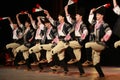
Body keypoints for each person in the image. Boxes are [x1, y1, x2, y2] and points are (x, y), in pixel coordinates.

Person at [85, 7, 112, 78]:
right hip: (95, 44)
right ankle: (101, 75)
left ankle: (88, 60)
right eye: (96, 15)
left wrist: (104, 38)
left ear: (102, 16)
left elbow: (109, 31)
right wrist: (91, 11)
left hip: (100, 44)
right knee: (96, 63)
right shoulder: (95, 23)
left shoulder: (104, 24)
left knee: (87, 45)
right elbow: (89, 19)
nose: (96, 16)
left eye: (98, 15)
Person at [44, 9, 71, 75]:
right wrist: (48, 14)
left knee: (52, 51)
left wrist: (65, 40)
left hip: (63, 42)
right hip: (59, 41)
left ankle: (56, 66)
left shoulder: (66, 25)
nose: (58, 18)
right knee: (61, 57)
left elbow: (70, 34)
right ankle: (66, 70)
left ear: (63, 17)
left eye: (59, 16)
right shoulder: (58, 24)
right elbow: (52, 21)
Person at [64, 5, 87, 76]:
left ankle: (73, 58)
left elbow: (85, 31)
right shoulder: (75, 23)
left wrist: (81, 38)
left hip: (78, 41)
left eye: (77, 15)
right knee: (78, 58)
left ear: (81, 16)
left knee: (67, 44)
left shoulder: (82, 24)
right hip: (75, 42)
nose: (76, 16)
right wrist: (66, 10)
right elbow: (68, 19)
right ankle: (82, 72)